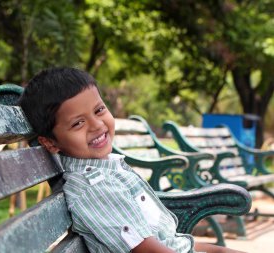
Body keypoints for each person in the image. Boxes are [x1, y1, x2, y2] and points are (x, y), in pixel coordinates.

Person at [19, 67, 245, 253]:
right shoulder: (95, 190)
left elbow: (174, 244)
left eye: (99, 110)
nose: (97, 125)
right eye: (78, 123)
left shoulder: (108, 172)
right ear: (50, 142)